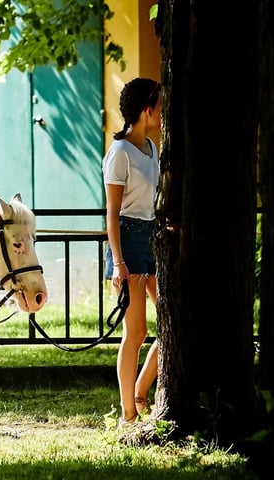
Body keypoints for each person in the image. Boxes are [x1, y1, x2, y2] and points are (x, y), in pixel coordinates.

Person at [103, 77, 162, 426]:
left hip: (152, 238)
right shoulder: (119, 153)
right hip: (127, 241)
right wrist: (119, 263)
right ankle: (128, 414)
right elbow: (111, 212)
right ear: (146, 108)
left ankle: (141, 391)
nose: (161, 110)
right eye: (158, 103)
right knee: (136, 332)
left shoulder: (152, 148)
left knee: (170, 320)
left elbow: (149, 201)